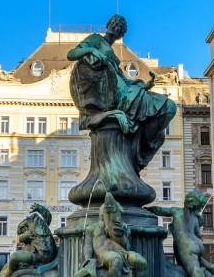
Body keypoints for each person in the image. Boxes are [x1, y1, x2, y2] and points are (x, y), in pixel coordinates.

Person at [67, 14, 176, 172]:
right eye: (114, 24)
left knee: (169, 108)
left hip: (125, 93)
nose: (115, 28)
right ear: (108, 25)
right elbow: (71, 54)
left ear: (121, 34)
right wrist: (90, 50)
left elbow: (124, 79)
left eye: (119, 27)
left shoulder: (112, 54)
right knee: (167, 107)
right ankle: (135, 154)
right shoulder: (96, 40)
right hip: (113, 98)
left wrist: (145, 85)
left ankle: (137, 153)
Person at [73, 192, 153, 277]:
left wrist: (120, 234)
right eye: (107, 213)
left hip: (122, 251)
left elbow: (127, 245)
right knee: (115, 259)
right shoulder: (92, 228)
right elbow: (87, 246)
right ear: (102, 214)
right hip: (104, 254)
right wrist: (89, 259)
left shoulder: (120, 227)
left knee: (141, 261)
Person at [146, 190, 214, 277]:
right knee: (191, 263)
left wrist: (148, 209)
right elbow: (197, 233)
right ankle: (210, 266)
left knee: (193, 269)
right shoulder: (196, 219)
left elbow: (160, 210)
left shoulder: (177, 211)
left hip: (185, 245)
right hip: (196, 244)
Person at [0, 203, 56, 277]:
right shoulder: (30, 232)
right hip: (33, 253)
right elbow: (20, 238)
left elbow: (48, 216)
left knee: (14, 257)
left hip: (38, 255)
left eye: (25, 227)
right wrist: (26, 236)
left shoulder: (41, 226)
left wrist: (39, 208)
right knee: (6, 265)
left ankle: (8, 276)